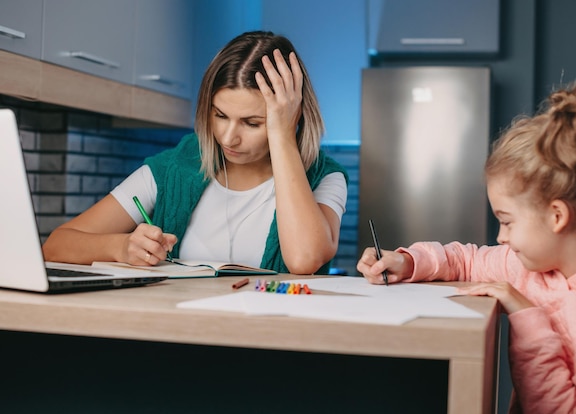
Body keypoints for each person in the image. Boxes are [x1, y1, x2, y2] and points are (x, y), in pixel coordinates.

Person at [357, 82, 576, 414]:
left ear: (557, 216)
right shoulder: (535, 263)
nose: (500, 237)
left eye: (508, 221)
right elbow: (466, 260)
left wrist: (528, 317)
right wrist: (408, 261)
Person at [43, 31, 348, 275]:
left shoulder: (325, 176)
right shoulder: (176, 165)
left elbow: (304, 259)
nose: (229, 137)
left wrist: (282, 134)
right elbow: (56, 245)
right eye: (219, 115)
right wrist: (122, 247)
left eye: (252, 123)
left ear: (293, 116)